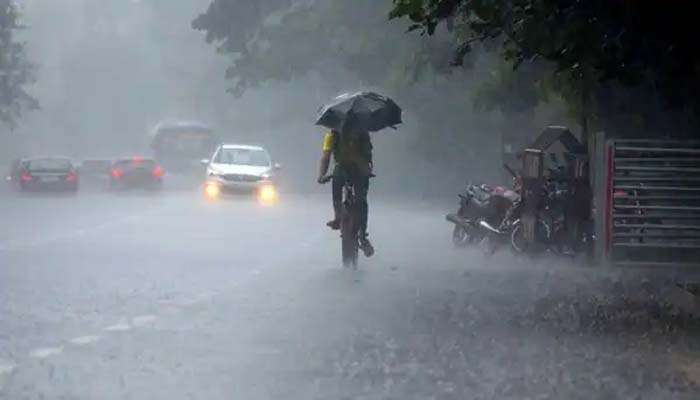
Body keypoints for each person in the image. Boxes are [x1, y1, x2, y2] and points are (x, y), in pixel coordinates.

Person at [317, 121, 375, 257]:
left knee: (340, 190)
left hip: (347, 169)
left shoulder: (333, 135)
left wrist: (321, 175)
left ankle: (338, 218)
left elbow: (326, 157)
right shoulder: (362, 132)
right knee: (361, 200)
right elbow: (369, 157)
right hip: (356, 170)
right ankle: (363, 237)